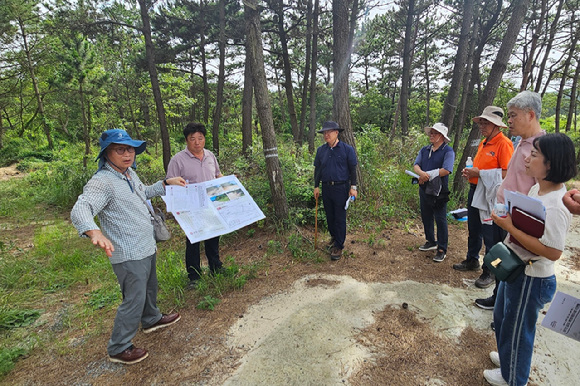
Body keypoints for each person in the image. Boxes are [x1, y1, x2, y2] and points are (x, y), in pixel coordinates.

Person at [71, 129, 185, 365]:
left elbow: (144, 193)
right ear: (106, 153)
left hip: (146, 245)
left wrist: (165, 183)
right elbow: (81, 208)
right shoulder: (102, 182)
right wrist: (93, 231)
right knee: (133, 297)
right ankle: (119, 346)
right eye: (120, 150)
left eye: (130, 149)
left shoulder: (129, 174)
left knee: (149, 287)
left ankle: (151, 319)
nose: (127, 154)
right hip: (127, 252)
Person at [485, 133, 576, 386]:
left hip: (531, 278)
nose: (527, 158)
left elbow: (552, 252)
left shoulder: (557, 205)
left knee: (518, 332)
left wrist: (510, 228)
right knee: (503, 318)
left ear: (551, 164)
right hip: (517, 269)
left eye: (534, 155)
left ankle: (514, 378)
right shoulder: (538, 188)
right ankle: (508, 358)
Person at [475, 91, 546, 311]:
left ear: (530, 115)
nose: (510, 121)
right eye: (509, 115)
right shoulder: (521, 143)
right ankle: (499, 299)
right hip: (503, 213)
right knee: (502, 259)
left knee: (517, 266)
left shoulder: (542, 149)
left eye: (514, 115)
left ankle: (510, 310)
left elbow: (542, 190)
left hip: (519, 221)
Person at [453, 107, 513, 288]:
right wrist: (472, 173)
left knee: (491, 234)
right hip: (476, 190)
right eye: (481, 122)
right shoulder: (484, 142)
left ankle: (491, 271)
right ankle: (472, 260)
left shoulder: (504, 144)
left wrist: (479, 172)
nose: (481, 126)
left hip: (492, 197)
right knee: (474, 228)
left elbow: (506, 173)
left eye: (485, 122)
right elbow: (482, 169)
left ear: (497, 126)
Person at [166, 122, 224, 285]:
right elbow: (170, 183)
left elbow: (218, 175)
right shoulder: (178, 160)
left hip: (211, 205)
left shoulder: (210, 156)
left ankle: (216, 267)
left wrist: (228, 182)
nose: (197, 142)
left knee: (213, 237)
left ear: (204, 139)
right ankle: (194, 276)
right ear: (186, 140)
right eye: (193, 139)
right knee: (193, 242)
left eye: (200, 138)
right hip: (191, 208)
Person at [313, 121, 358, 260]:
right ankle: (334, 238)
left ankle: (339, 246)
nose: (326, 135)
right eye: (324, 133)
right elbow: (318, 170)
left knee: (339, 217)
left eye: (329, 132)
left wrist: (353, 187)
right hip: (326, 187)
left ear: (336, 133)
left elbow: (352, 169)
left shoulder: (347, 149)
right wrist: (316, 186)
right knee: (330, 216)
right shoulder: (321, 150)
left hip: (341, 187)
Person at [413, 123, 455, 262]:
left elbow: (447, 170)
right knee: (426, 216)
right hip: (424, 188)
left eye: (435, 133)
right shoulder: (425, 150)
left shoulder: (448, 151)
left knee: (440, 219)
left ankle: (442, 248)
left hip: (439, 191)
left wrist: (428, 175)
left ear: (442, 136)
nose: (431, 135)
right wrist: (421, 174)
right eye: (431, 132)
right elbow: (416, 165)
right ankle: (430, 241)